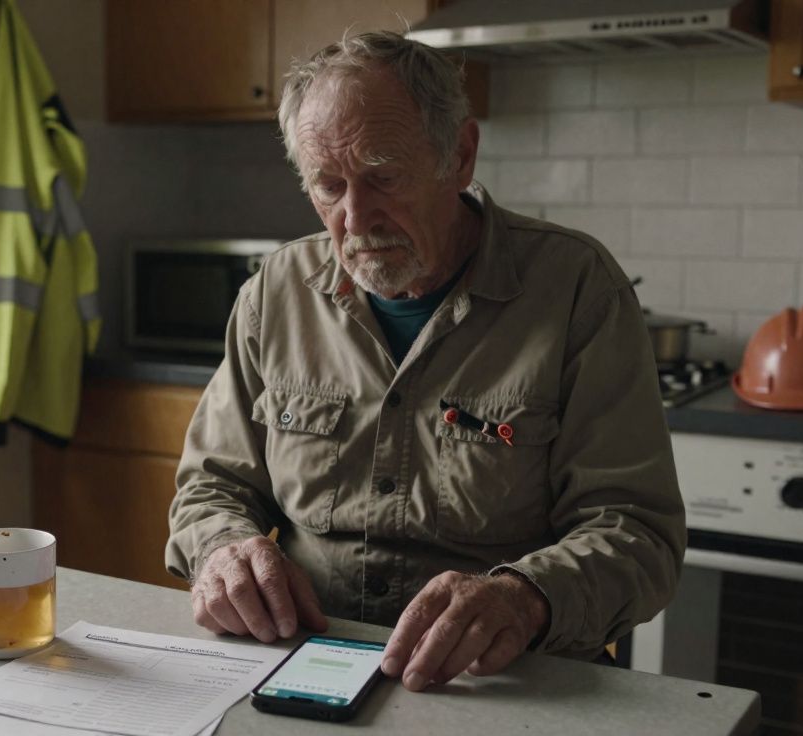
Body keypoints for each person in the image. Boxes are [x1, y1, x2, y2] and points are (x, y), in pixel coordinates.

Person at [165, 31, 685, 693]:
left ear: (460, 155)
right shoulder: (276, 292)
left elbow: (638, 533)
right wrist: (223, 551)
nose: (355, 218)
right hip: (308, 665)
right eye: (328, 186)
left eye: (383, 177)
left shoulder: (577, 289)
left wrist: (522, 596)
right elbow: (211, 488)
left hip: (498, 683)